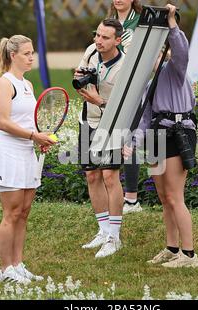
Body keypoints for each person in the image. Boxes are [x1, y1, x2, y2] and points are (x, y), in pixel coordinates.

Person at [123, 4, 198, 268]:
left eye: (156, 52)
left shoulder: (174, 72)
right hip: (156, 136)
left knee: (175, 196)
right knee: (164, 197)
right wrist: (132, 144)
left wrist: (171, 24)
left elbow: (181, 52)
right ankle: (171, 247)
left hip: (177, 133)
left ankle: (189, 255)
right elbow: (144, 119)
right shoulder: (148, 84)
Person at [0, 35, 56, 284]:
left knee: (24, 213)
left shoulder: (27, 84)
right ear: (12, 55)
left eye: (32, 52)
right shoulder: (5, 83)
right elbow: (3, 122)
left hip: (27, 152)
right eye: (26, 53)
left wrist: (39, 139)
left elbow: (28, 121)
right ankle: (5, 270)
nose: (31, 57)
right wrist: (33, 135)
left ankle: (17, 264)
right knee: (11, 213)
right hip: (9, 153)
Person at [75, 19, 126, 258]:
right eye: (97, 35)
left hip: (112, 124)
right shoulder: (90, 51)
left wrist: (100, 101)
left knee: (109, 176)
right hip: (88, 121)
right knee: (92, 175)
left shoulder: (125, 65)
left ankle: (114, 237)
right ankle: (103, 230)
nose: (99, 41)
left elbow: (125, 105)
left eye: (105, 38)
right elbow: (79, 80)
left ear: (118, 40)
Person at [107, 0, 144, 214]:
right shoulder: (109, 23)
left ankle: (131, 198)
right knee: (112, 137)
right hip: (111, 85)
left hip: (133, 84)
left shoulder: (140, 21)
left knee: (129, 138)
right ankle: (115, 193)